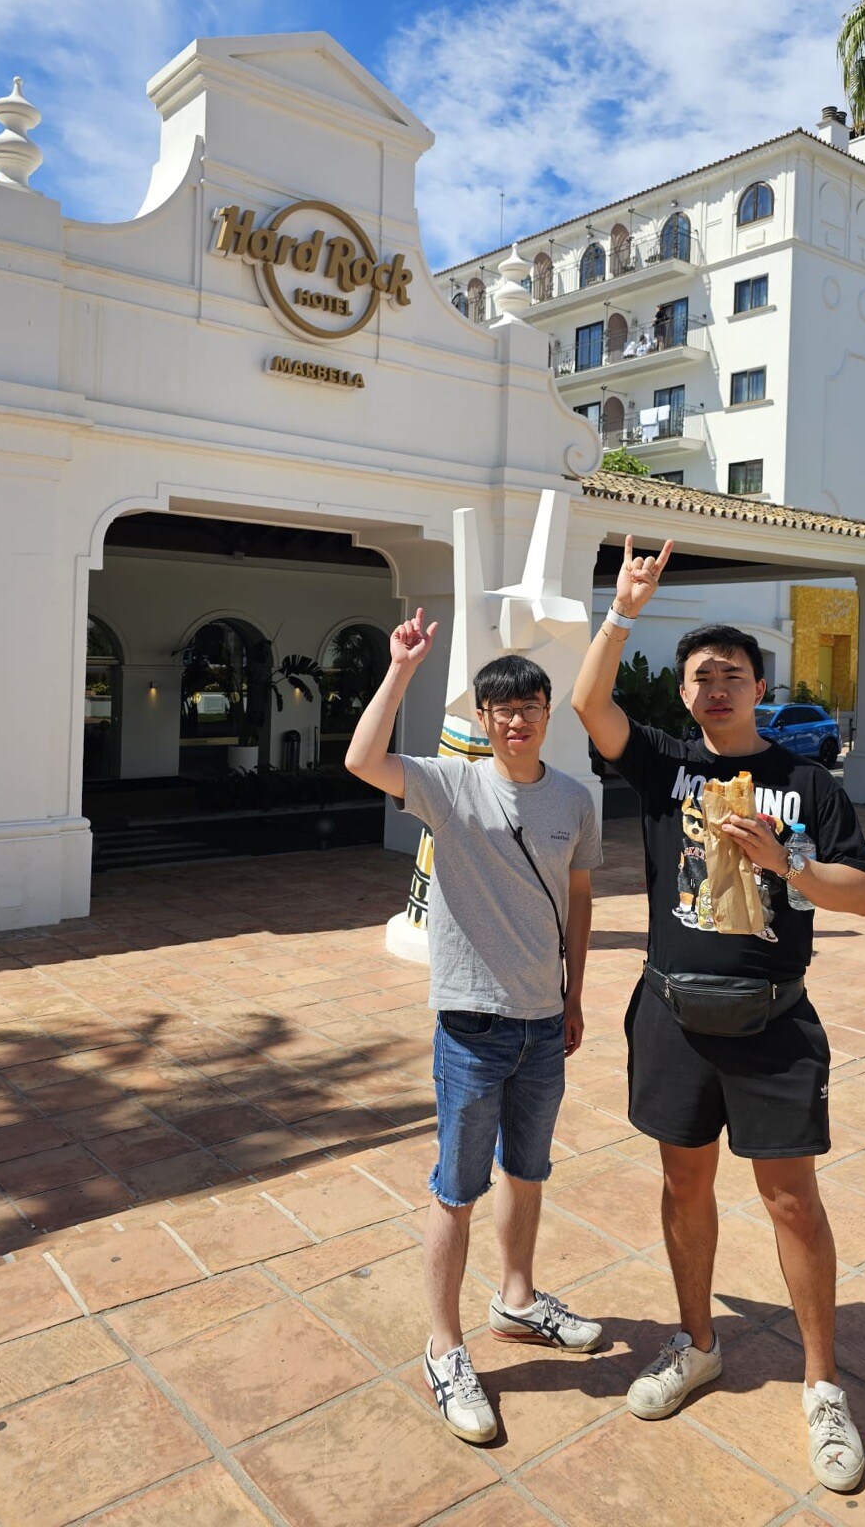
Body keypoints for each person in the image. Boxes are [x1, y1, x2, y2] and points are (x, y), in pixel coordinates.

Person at [572, 539, 865, 1494]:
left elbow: (861, 896)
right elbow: (588, 706)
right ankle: (697, 1342)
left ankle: (823, 1385)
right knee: (683, 1185)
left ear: (757, 687)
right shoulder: (663, 765)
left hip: (774, 1018)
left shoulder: (809, 781)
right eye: (700, 677)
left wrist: (786, 862)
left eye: (731, 677)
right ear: (684, 692)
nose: (714, 690)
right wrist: (623, 610)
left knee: (791, 1199)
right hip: (670, 1013)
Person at [346, 615, 604, 1444]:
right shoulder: (451, 787)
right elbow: (361, 760)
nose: (517, 720)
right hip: (470, 1025)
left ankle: (518, 1301)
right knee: (456, 1190)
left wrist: (572, 997)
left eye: (530, 705)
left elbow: (579, 899)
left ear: (547, 711)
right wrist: (400, 671)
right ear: (487, 721)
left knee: (527, 1171)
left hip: (541, 1022)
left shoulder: (575, 798)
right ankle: (445, 1347)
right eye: (502, 710)